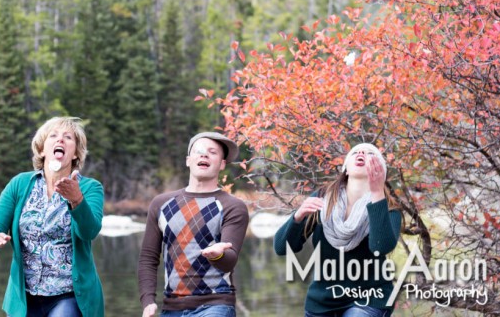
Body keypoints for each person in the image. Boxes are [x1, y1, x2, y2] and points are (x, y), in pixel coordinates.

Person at [0, 116, 104, 317]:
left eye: (68, 137)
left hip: (70, 296)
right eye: (53, 136)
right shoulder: (19, 184)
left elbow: (90, 231)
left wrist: (77, 200)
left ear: (75, 154)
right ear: (42, 150)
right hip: (25, 299)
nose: (60, 140)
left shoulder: (90, 188)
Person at [274, 143, 401, 317]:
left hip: (369, 298)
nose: (361, 153)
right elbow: (282, 248)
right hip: (323, 300)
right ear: (346, 169)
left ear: (380, 172)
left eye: (370, 153)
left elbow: (380, 248)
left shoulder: (388, 210)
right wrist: (298, 217)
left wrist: (377, 192)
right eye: (355, 152)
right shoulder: (322, 199)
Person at [138, 132, 249, 317]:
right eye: (199, 151)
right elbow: (148, 258)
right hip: (171, 307)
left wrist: (218, 254)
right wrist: (148, 301)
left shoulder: (233, 206)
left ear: (222, 164)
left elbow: (229, 261)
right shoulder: (161, 204)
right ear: (188, 160)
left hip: (216, 305)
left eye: (212, 152)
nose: (204, 155)